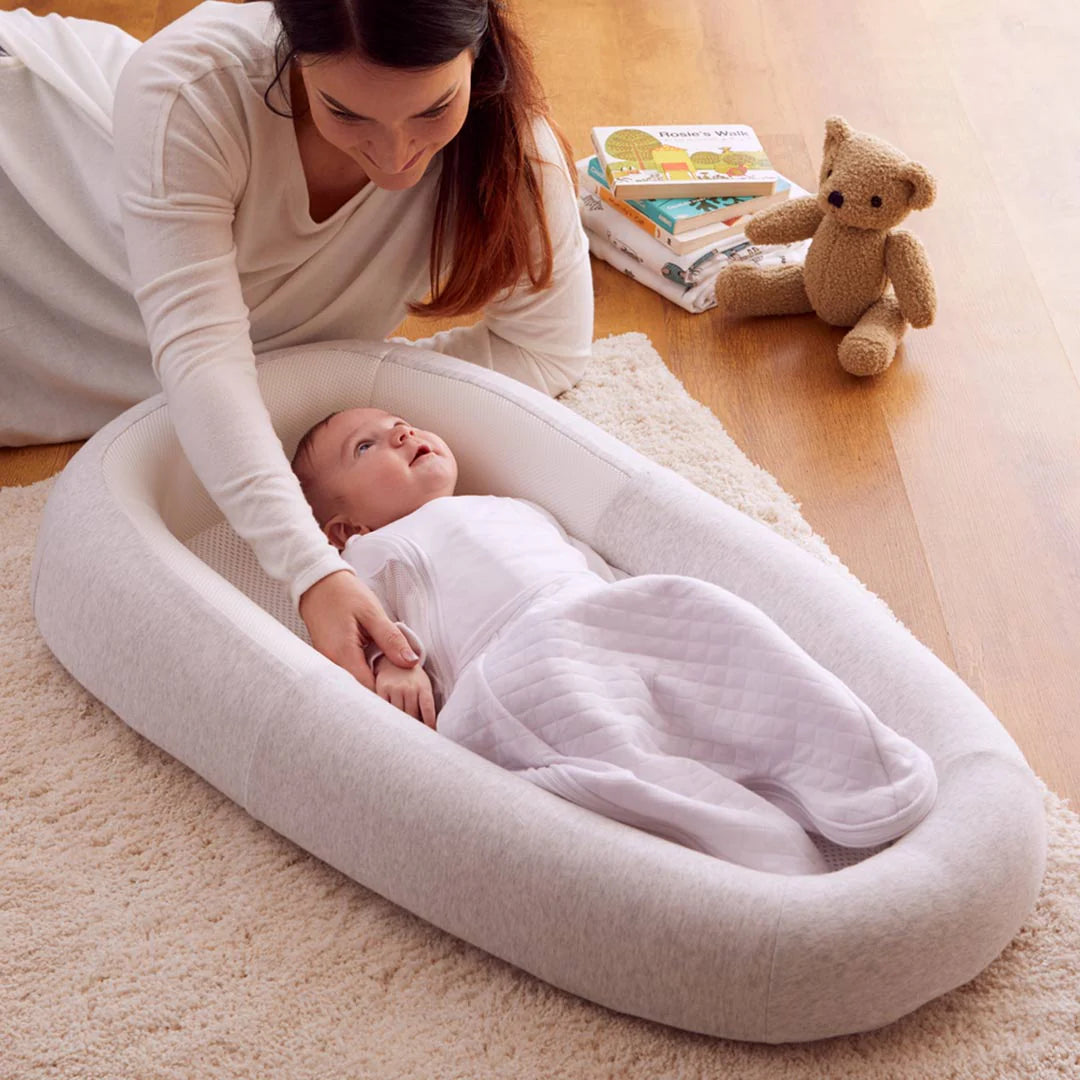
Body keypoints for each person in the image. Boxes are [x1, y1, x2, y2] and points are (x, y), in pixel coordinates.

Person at [0, 0, 593, 692]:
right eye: (346, 112)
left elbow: (546, 351)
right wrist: (311, 571)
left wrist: (349, 413)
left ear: (479, 51)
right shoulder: (193, 91)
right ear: (295, 54)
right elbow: (200, 354)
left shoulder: (514, 147)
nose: (396, 155)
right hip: (38, 192)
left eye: (433, 109)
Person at [289, 406, 939, 875]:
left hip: (603, 613)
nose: (401, 432)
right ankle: (751, 849)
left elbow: (592, 567)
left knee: (706, 615)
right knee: (623, 757)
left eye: (399, 422)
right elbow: (361, 627)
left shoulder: (513, 505)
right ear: (344, 529)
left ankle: (850, 769)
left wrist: (638, 611)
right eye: (366, 447)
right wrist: (397, 663)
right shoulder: (367, 554)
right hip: (517, 666)